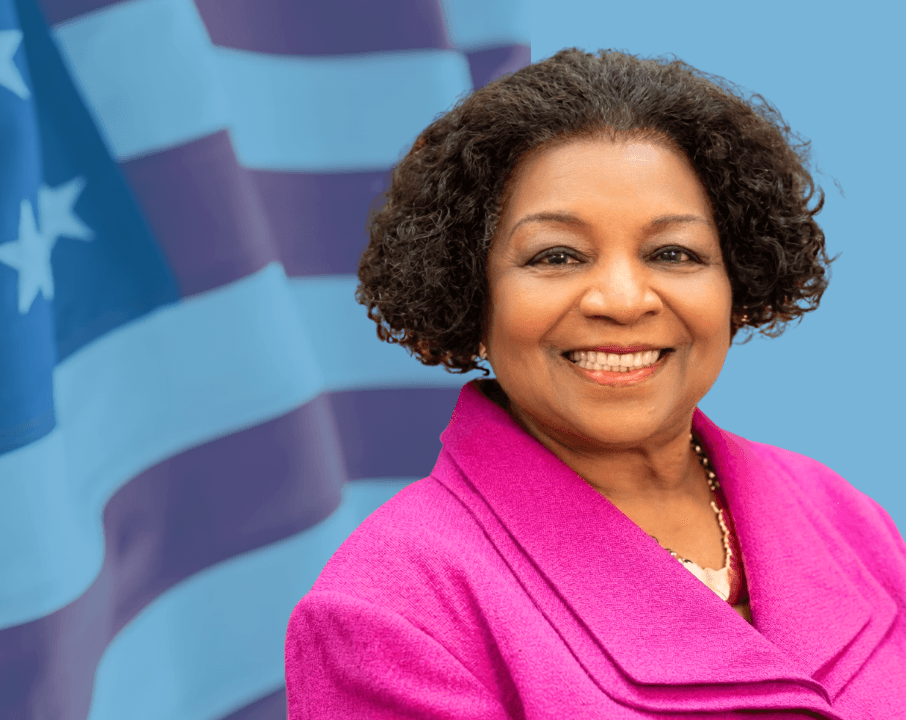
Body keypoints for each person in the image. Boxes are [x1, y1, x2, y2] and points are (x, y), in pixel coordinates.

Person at [284, 48, 906, 718]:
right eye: (558, 256)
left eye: (674, 253)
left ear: (739, 284)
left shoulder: (843, 518)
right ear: (471, 296)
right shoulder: (393, 613)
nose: (621, 298)